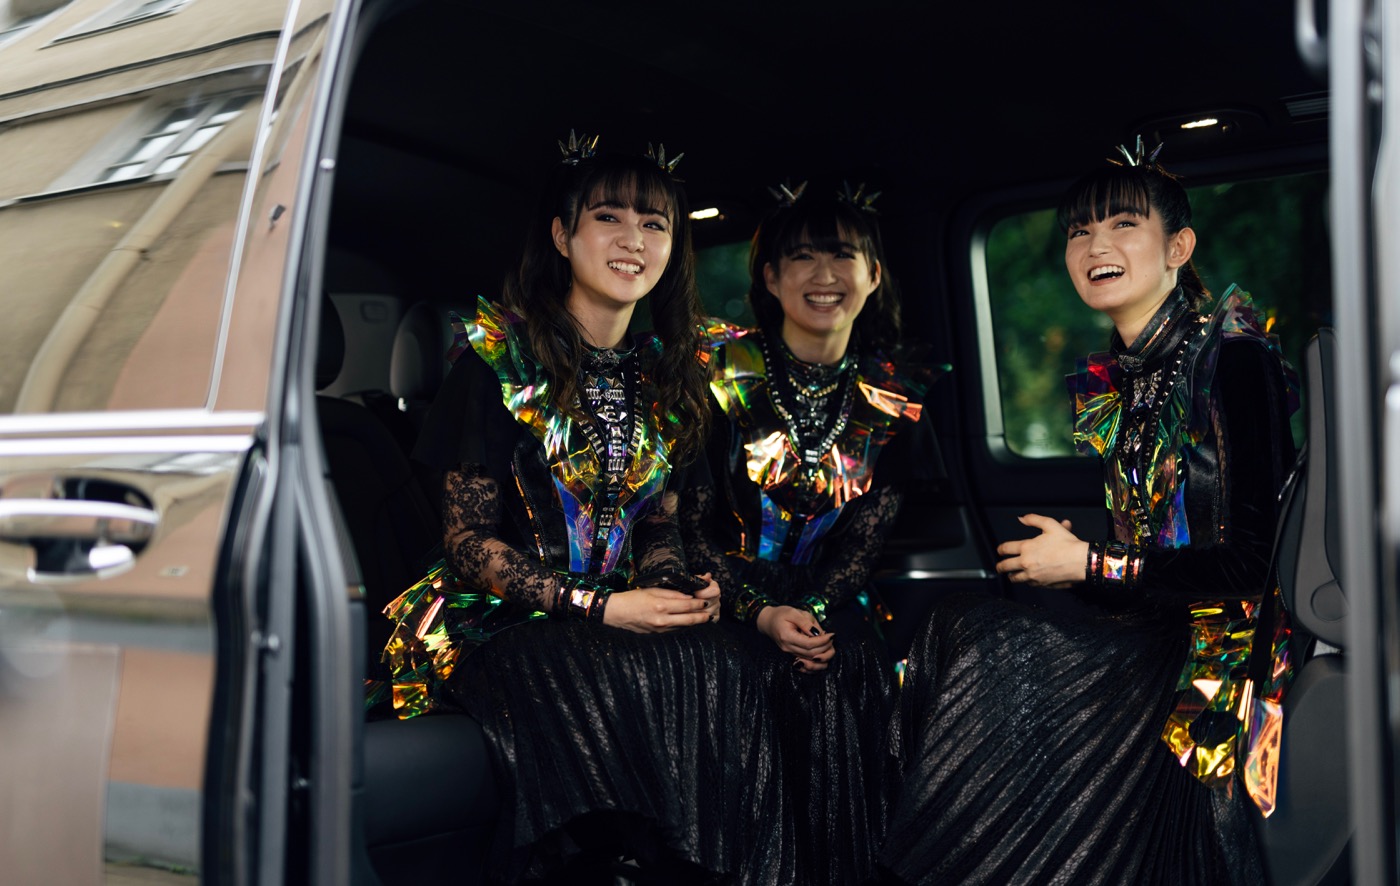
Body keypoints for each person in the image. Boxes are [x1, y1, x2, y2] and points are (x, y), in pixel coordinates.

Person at [881, 142, 1298, 885]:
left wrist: (1088, 562)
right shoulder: (1129, 377)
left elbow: (1250, 567)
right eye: (1079, 231)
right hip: (1148, 632)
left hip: (1215, 654)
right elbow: (1148, 560)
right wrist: (1080, 563)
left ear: (1178, 248)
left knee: (975, 639)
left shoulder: (1233, 360)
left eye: (1122, 226)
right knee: (956, 627)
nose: (1095, 246)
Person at [380, 136, 794, 885]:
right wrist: (599, 606)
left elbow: (660, 525)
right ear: (562, 235)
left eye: (654, 223)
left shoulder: (670, 375)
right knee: (584, 664)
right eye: (609, 217)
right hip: (500, 616)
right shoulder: (497, 363)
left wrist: (671, 590)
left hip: (617, 608)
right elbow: (467, 543)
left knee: (727, 658)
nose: (633, 239)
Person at [681, 184, 943, 886]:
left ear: (873, 274)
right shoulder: (716, 373)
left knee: (849, 667)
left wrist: (815, 610)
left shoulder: (894, 395)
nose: (824, 275)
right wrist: (759, 612)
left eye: (842, 255)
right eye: (802, 257)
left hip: (829, 598)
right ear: (770, 277)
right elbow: (689, 527)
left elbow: (865, 544)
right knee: (742, 674)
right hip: (722, 594)